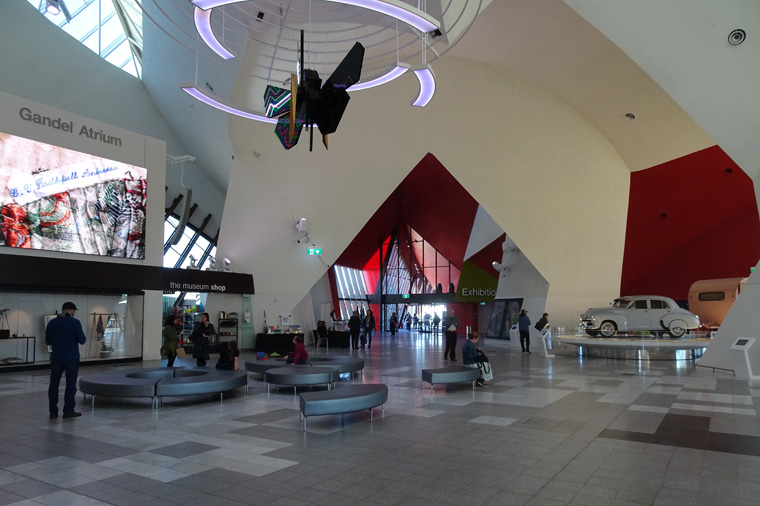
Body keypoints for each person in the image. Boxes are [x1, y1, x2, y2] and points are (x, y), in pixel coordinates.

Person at [46, 301, 87, 419]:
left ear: (62, 309)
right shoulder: (75, 323)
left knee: (54, 384)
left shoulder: (52, 323)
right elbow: (82, 340)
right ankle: (68, 411)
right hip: (71, 358)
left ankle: (53, 411)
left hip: (56, 357)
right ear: (72, 311)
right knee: (70, 385)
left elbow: (48, 341)